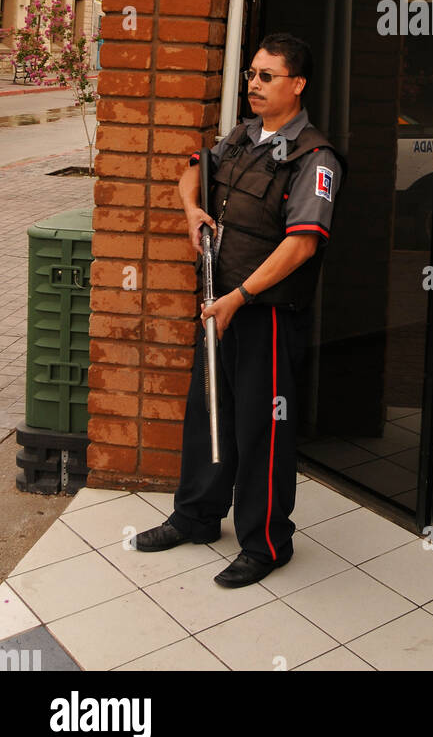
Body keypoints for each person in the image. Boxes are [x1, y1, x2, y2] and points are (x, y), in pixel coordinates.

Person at [133, 32, 343, 587]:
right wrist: (189, 211)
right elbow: (190, 171)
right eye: (251, 73)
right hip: (216, 303)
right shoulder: (242, 138)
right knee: (207, 414)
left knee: (261, 429)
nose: (253, 83)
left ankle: (267, 543)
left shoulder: (313, 158)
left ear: (297, 84)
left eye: (266, 76)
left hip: (265, 314)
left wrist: (239, 297)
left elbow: (301, 243)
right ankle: (196, 517)